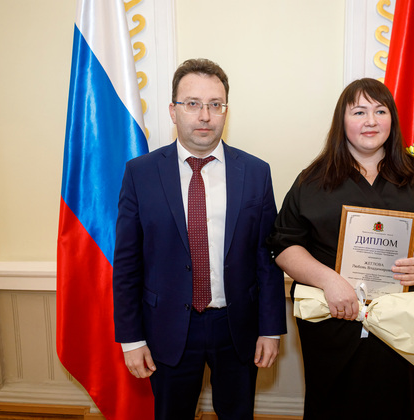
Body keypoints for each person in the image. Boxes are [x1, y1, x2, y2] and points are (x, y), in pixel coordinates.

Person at [267, 78, 414, 420]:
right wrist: (328, 280)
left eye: (380, 111)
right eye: (359, 112)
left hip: (401, 326)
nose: (371, 121)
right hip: (333, 320)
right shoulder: (312, 181)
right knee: (331, 407)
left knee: (394, 406)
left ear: (392, 119)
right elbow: (284, 246)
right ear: (342, 121)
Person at [113, 58, 287, 420]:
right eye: (192, 103)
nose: (205, 115)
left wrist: (271, 329)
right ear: (173, 111)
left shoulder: (256, 172)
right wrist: (131, 339)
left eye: (215, 104)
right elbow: (127, 264)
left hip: (237, 328)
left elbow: (267, 258)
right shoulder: (140, 174)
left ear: (225, 111)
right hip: (167, 329)